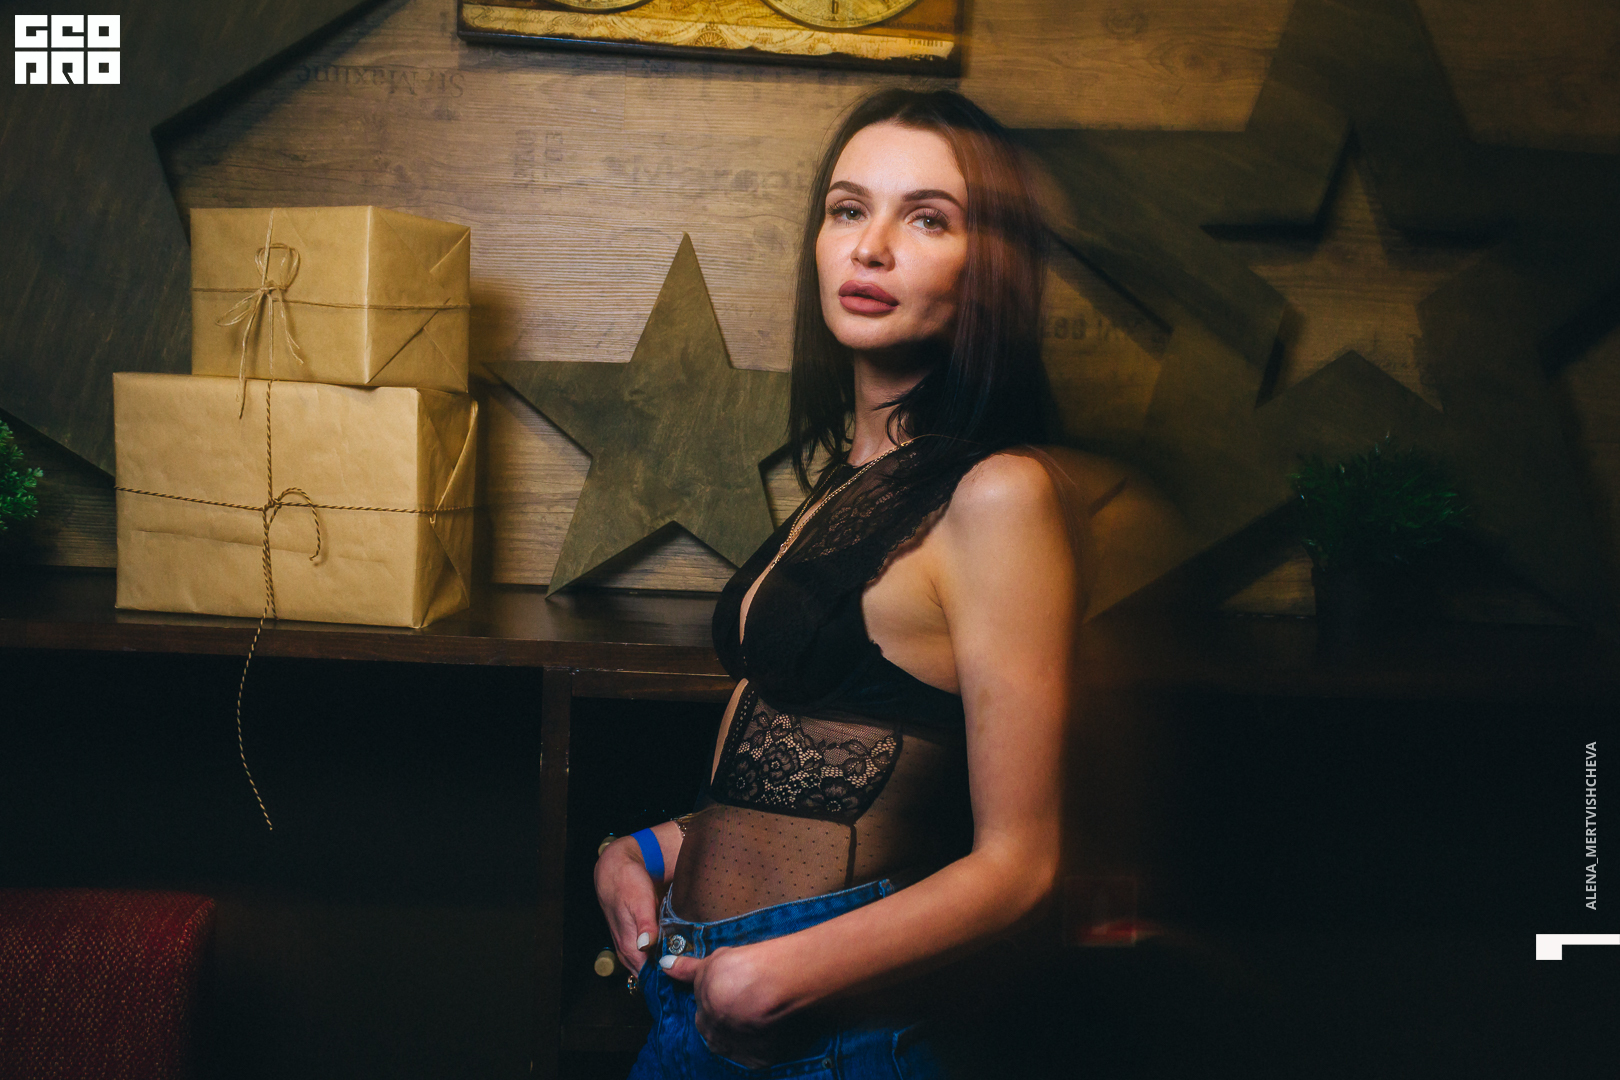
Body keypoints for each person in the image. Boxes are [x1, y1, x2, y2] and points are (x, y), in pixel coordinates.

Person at [596, 87, 1076, 1079]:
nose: (871, 247)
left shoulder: (996, 495)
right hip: (694, 991)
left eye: (928, 219)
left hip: (824, 1026)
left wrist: (771, 976)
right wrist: (649, 848)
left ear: (990, 271)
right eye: (849, 209)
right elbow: (828, 760)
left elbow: (1022, 864)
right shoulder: (851, 480)